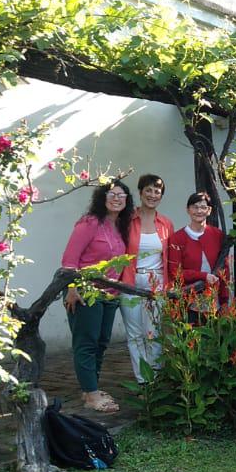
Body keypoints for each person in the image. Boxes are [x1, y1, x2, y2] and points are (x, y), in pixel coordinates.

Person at [61, 181, 133, 413]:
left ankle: (90, 388)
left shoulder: (121, 226)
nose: (117, 198)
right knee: (87, 343)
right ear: (102, 197)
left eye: (121, 195)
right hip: (85, 293)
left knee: (101, 343)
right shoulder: (89, 223)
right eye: (112, 194)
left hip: (110, 294)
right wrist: (72, 288)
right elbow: (70, 259)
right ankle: (92, 395)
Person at [122, 174, 174, 383]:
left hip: (157, 282)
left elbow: (170, 256)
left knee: (154, 332)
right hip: (130, 281)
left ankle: (156, 377)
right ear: (141, 192)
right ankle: (143, 380)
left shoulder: (165, 223)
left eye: (157, 192)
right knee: (134, 334)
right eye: (149, 190)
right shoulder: (127, 221)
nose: (152, 195)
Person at [167, 192, 228, 320]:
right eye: (195, 207)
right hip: (187, 300)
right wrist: (203, 276)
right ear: (188, 210)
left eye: (203, 207)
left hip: (213, 299)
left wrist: (224, 300)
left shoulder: (217, 235)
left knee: (214, 337)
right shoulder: (177, 238)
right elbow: (175, 272)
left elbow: (224, 268)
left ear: (209, 210)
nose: (199, 211)